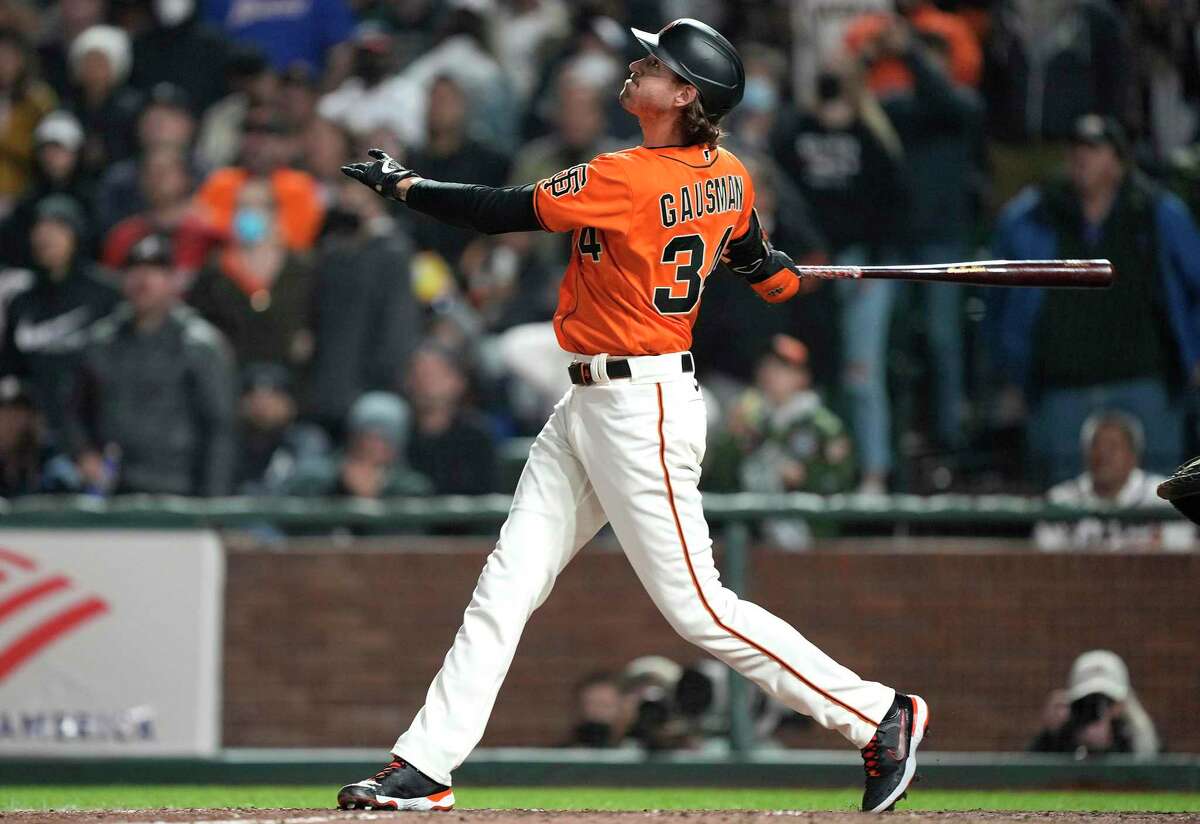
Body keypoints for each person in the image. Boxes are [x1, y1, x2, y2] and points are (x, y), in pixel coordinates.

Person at [337, 18, 929, 814]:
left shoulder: (627, 175)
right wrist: (781, 273)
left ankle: (875, 713)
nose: (637, 69)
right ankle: (427, 765)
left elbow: (494, 211)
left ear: (685, 95)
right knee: (507, 584)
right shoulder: (730, 173)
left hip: (639, 407)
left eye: (656, 65)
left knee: (698, 606)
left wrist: (403, 185)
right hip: (592, 401)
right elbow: (760, 266)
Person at [992, 114, 1200, 483]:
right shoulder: (1034, 216)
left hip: (1145, 383)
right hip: (1060, 389)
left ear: (1118, 161)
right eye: (1075, 149)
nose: (1081, 158)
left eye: (1094, 149)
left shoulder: (1155, 212)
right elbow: (1001, 300)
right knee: (1062, 513)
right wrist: (1011, 372)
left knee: (1157, 508)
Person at [67, 233, 237, 496]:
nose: (144, 280)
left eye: (155, 271)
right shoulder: (101, 341)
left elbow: (221, 429)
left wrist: (213, 503)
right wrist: (84, 453)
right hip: (115, 488)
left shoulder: (200, 344)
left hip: (180, 488)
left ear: (173, 281)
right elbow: (74, 410)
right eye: (135, 270)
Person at [706, 336, 855, 550]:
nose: (770, 375)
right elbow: (720, 482)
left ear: (802, 377)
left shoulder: (821, 426)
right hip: (753, 533)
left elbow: (840, 485)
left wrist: (804, 477)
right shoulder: (751, 418)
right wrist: (731, 437)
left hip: (809, 535)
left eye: (781, 369)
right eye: (767, 367)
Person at [0, 195, 118, 440]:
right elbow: (12, 370)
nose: (45, 236)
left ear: (75, 234)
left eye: (56, 227)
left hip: (95, 431)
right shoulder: (22, 301)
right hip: (35, 432)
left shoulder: (106, 293)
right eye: (39, 228)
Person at [1034, 411, 1195, 552]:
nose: (1103, 455)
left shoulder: (1166, 497)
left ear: (1133, 456)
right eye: (1096, 447)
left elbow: (1182, 557)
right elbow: (1044, 558)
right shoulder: (1060, 499)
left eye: (1113, 447)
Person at [283, 391, 431, 499]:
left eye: (384, 438)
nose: (372, 444)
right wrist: (340, 485)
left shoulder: (411, 487)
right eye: (366, 435)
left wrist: (376, 493)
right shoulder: (318, 476)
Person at [1030, 650, 1160, 759]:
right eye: (1086, 701)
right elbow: (1028, 775)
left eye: (1108, 701)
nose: (1095, 710)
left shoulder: (1134, 734)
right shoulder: (1064, 731)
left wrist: (1109, 747)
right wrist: (1051, 734)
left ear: (1122, 703)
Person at [404, 343, 498, 496]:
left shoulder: (475, 437)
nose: (424, 383)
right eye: (417, 374)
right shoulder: (399, 432)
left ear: (458, 382)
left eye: (433, 375)